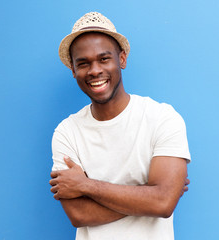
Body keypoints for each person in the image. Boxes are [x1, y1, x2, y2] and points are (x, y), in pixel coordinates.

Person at [49, 12, 191, 240]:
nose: (94, 70)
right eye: (83, 63)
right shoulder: (67, 132)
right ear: (73, 70)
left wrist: (86, 186)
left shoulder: (162, 117)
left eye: (104, 59)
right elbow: (78, 214)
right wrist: (149, 195)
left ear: (121, 59)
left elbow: (164, 204)